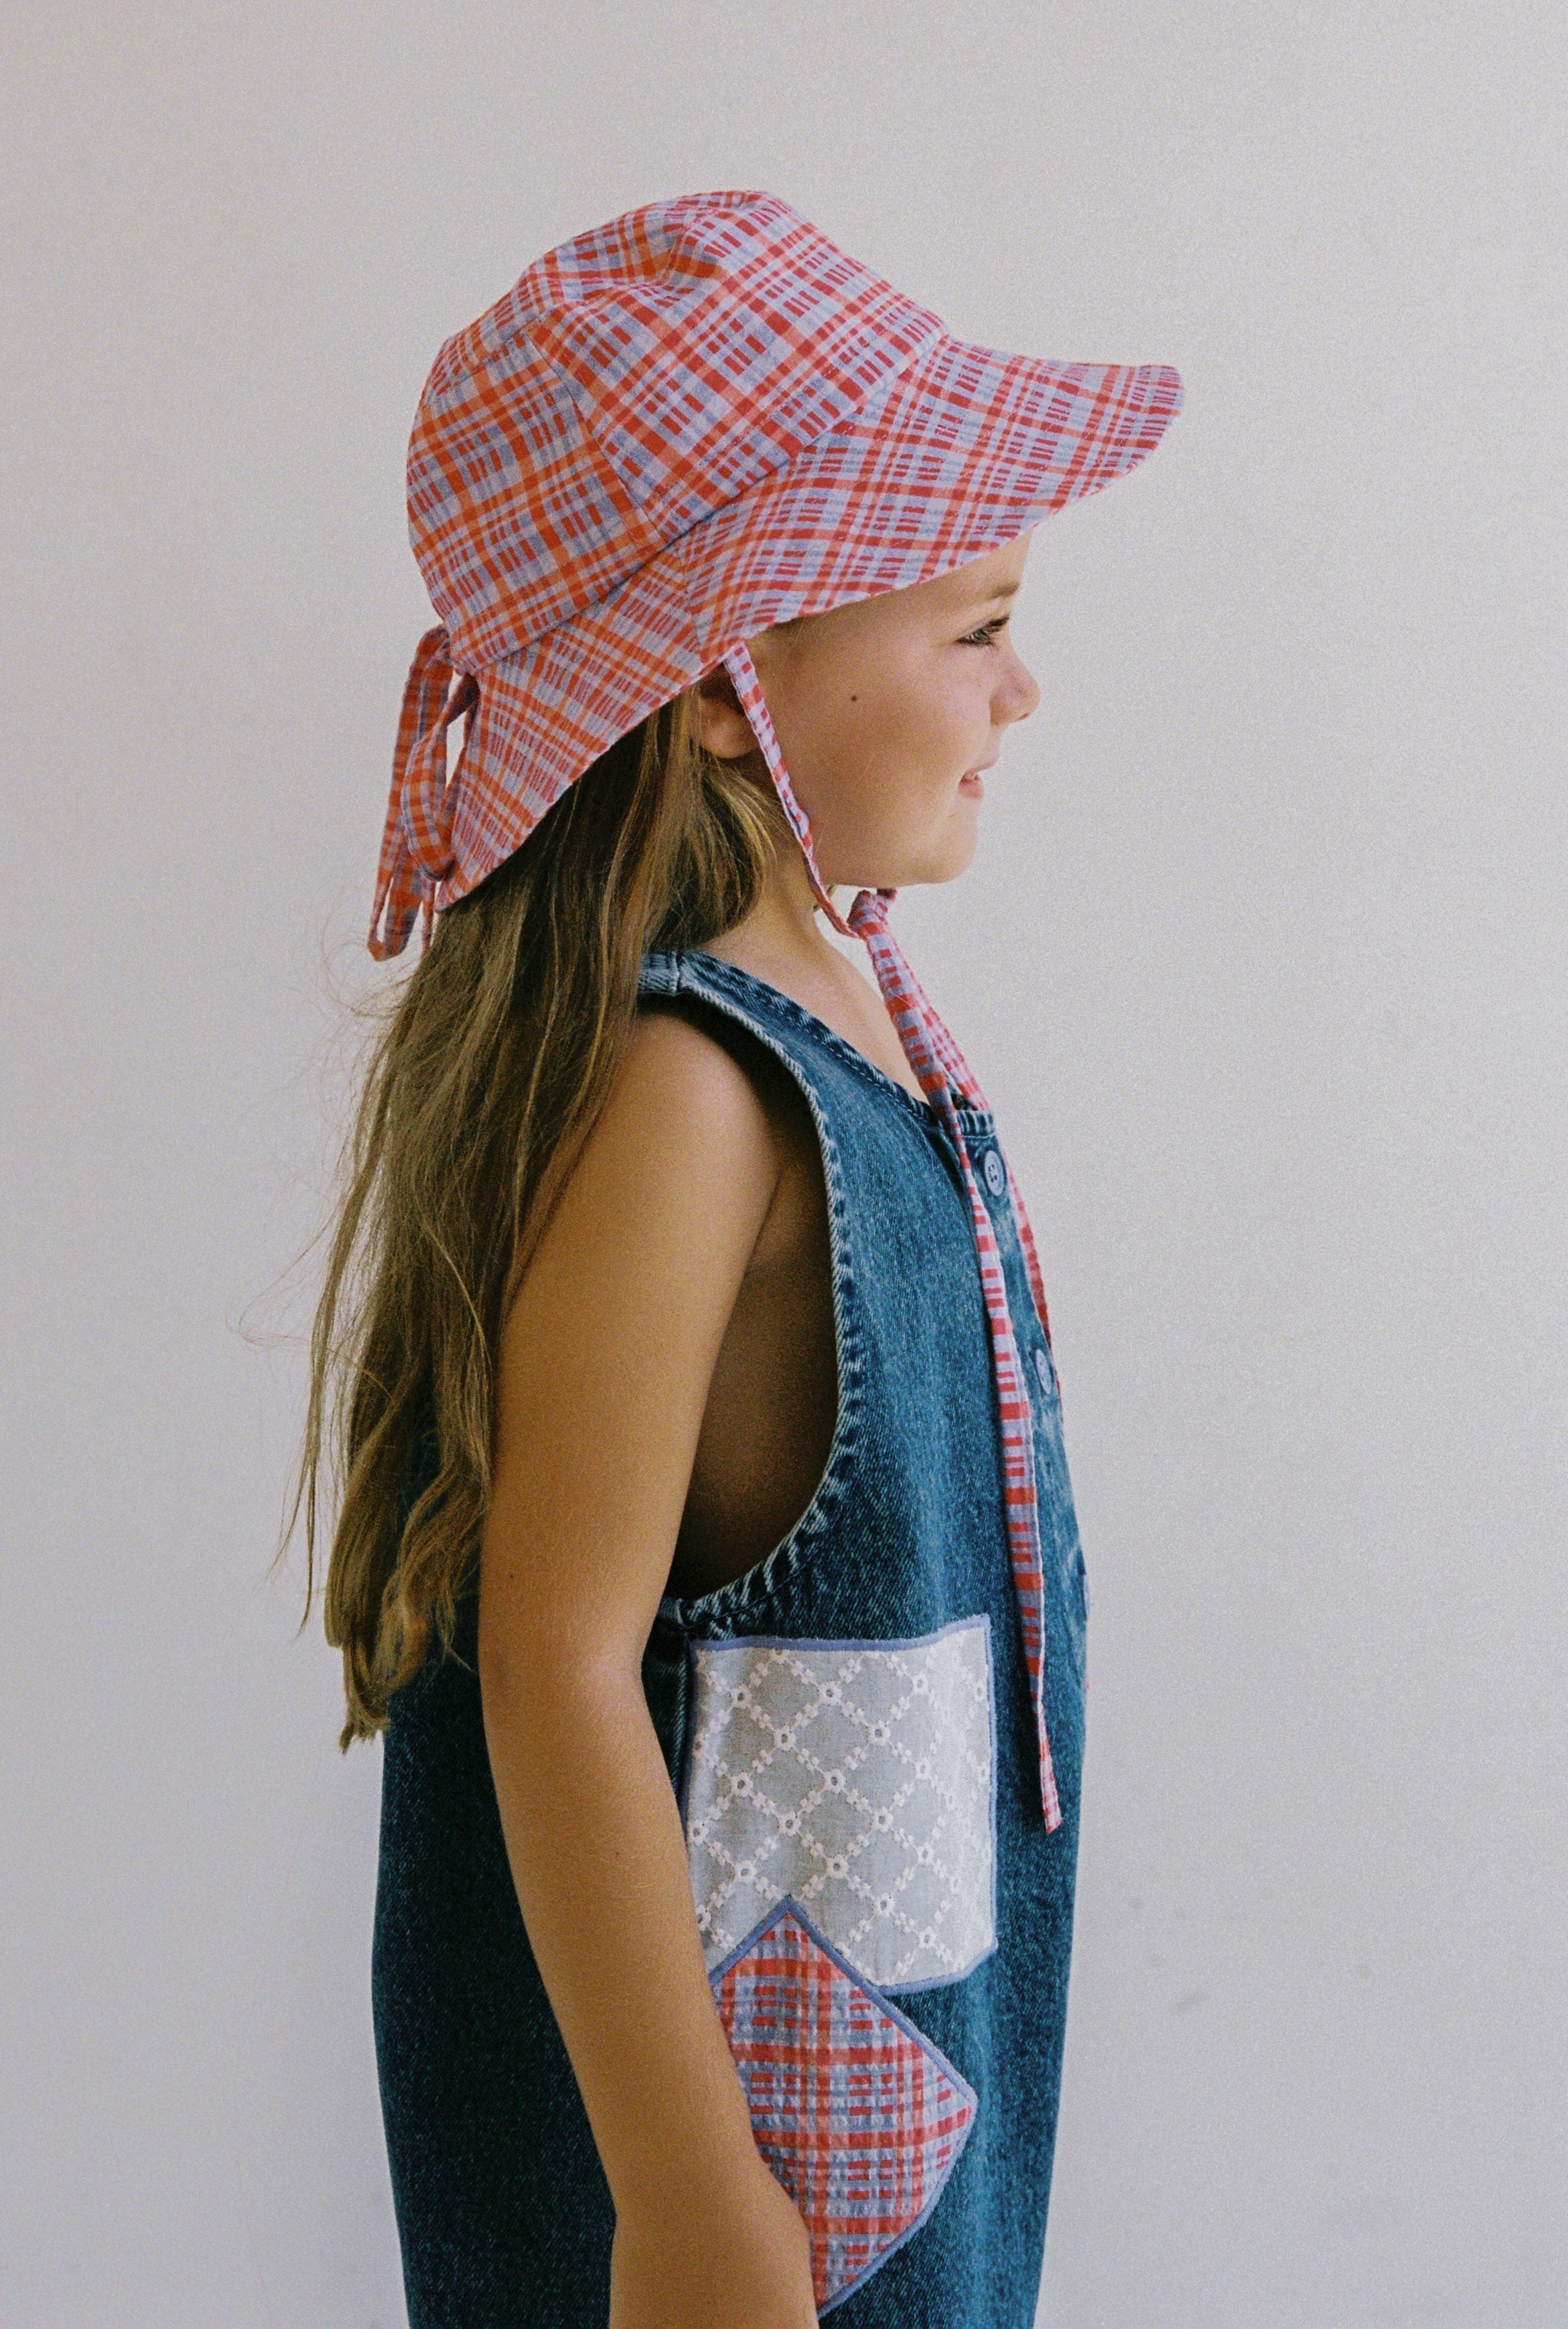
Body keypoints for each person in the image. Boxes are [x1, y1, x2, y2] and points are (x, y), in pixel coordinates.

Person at [299, 190, 1182, 2328]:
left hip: (895, 2066)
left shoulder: (858, 1021)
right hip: (724, 2179)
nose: (1024, 681)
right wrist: (692, 2194)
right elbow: (555, 1658)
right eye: (974, 621)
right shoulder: (690, 1095)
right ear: (727, 681)